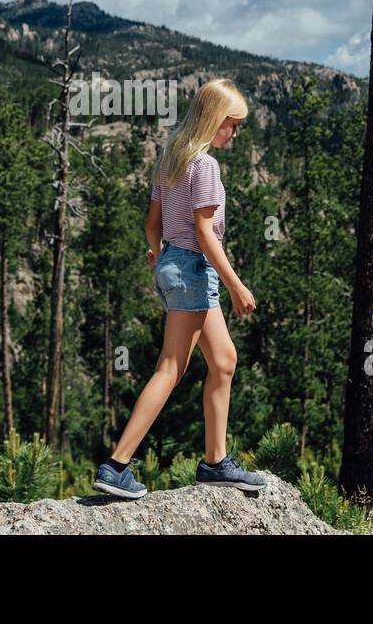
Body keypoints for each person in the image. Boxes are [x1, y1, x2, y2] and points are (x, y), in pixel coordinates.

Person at [92, 78, 267, 499]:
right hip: (193, 266)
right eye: (232, 123)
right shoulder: (204, 165)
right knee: (171, 368)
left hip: (175, 263)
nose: (234, 132)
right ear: (214, 119)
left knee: (223, 361)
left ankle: (216, 461)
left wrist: (160, 256)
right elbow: (206, 234)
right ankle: (117, 465)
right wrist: (237, 285)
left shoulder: (171, 158)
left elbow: (152, 225)